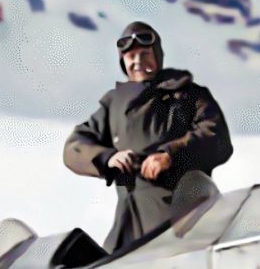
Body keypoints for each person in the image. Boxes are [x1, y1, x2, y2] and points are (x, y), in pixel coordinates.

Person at [63, 21, 233, 251]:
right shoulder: (113, 104)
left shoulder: (189, 95)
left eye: (144, 54)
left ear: (157, 55)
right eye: (130, 56)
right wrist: (107, 157)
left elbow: (217, 136)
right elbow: (74, 147)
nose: (138, 61)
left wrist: (170, 155)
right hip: (129, 229)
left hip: (186, 226)